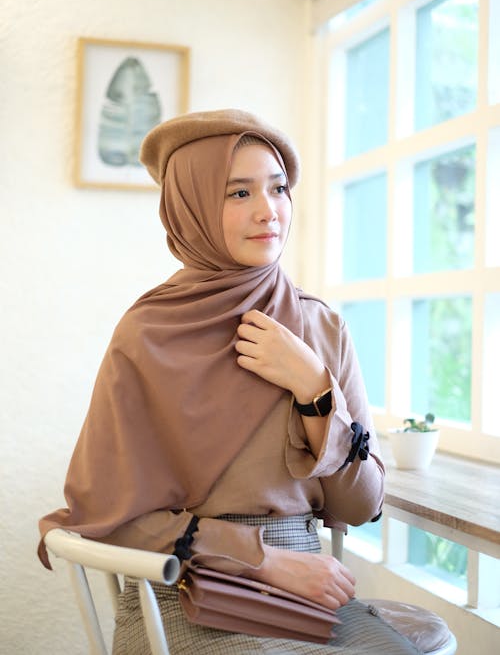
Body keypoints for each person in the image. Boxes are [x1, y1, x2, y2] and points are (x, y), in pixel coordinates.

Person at [39, 109, 422, 654]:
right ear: (190, 207)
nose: (269, 212)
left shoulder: (320, 325)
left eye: (279, 188)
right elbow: (109, 515)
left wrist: (315, 388)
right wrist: (262, 559)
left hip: (309, 592)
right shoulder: (147, 334)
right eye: (238, 193)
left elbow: (362, 507)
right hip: (186, 585)